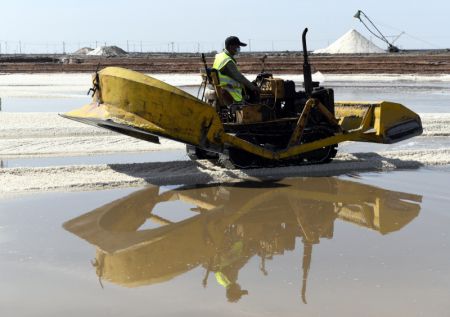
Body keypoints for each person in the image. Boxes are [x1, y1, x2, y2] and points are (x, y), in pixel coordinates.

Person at [212, 36, 260, 104]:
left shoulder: (220, 56)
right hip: (230, 89)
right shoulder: (227, 61)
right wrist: (253, 87)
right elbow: (239, 77)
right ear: (230, 47)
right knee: (253, 91)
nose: (239, 48)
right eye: (237, 46)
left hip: (222, 86)